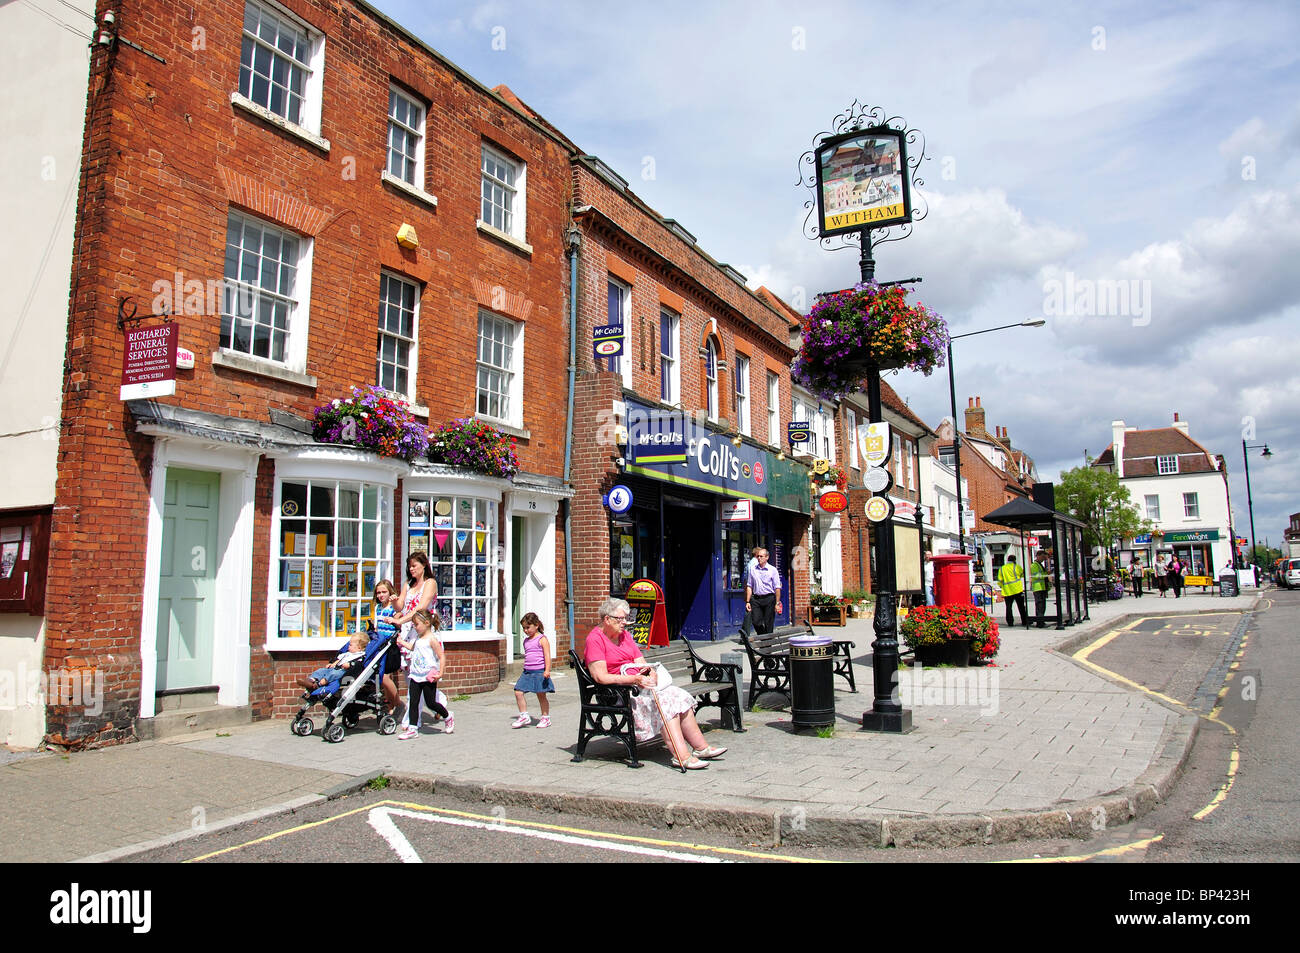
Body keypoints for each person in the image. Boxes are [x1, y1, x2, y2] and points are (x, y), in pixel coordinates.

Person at [584, 597, 725, 770]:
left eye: (626, 618)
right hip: (617, 692)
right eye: (621, 619)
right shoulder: (595, 640)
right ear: (607, 619)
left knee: (678, 695)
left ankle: (701, 747)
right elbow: (601, 677)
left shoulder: (625, 636)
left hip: (638, 685)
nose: (625, 623)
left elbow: (641, 663)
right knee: (665, 703)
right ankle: (681, 756)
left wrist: (651, 673)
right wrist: (635, 679)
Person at [397, 609, 452, 739]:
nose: (415, 627)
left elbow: (441, 656)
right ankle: (413, 728)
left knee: (431, 702)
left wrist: (440, 672)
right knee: (413, 702)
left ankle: (448, 716)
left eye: (416, 624)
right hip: (415, 674)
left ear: (427, 623)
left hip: (428, 675)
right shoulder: (418, 638)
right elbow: (412, 648)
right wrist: (401, 642)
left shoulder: (432, 639)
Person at [511, 612, 554, 728]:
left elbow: (547, 656)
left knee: (541, 695)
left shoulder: (542, 639)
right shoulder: (526, 641)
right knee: (518, 692)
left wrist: (547, 670)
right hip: (527, 672)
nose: (525, 630)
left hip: (539, 672)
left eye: (528, 627)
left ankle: (545, 718)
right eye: (523, 628)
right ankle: (524, 715)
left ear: (536, 625)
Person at [372, 579, 404, 720]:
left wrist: (395, 619)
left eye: (384, 592)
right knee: (384, 678)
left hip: (390, 646)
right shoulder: (378, 608)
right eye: (378, 592)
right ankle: (390, 707)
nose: (381, 595)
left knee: (384, 677)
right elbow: (377, 626)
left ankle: (399, 704)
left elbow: (400, 622)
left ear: (390, 592)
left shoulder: (394, 608)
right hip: (380, 645)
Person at [298, 632, 368, 692]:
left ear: (359, 647)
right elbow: (339, 660)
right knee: (321, 670)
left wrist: (349, 665)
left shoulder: (360, 656)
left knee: (333, 674)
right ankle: (311, 680)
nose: (348, 647)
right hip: (335, 668)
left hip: (344, 673)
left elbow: (357, 665)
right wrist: (332, 664)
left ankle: (319, 684)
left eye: (350, 645)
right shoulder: (347, 654)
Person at [744, 548, 783, 635]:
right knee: (756, 622)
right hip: (756, 599)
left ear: (767, 557)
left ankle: (767, 641)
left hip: (769, 598)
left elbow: (777, 588)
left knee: (768, 623)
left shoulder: (772, 570)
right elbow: (749, 586)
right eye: (758, 556)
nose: (759, 558)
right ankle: (764, 638)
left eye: (761, 556)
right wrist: (748, 601)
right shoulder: (752, 569)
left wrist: (777, 603)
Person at [997, 555, 1028, 627]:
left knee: (1008, 607)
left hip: (1007, 590)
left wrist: (1002, 587)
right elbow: (1022, 574)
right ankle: (1024, 621)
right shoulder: (1016, 567)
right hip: (1017, 589)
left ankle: (1010, 622)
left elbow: (1000, 580)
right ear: (1014, 560)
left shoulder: (1002, 568)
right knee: (1021, 606)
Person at [1029, 552, 1051, 628]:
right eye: (1042, 557)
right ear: (1038, 556)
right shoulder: (1034, 565)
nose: (1043, 559)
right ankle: (1040, 622)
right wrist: (1046, 574)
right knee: (1040, 606)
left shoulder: (1039, 565)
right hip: (1038, 588)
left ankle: (1041, 621)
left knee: (1042, 606)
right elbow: (1036, 576)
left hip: (1042, 587)